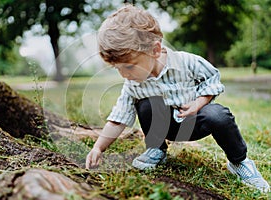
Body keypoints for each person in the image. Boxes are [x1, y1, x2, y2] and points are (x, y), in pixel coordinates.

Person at [85, 4, 270, 193]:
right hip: (165, 127)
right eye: (118, 69)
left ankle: (239, 162)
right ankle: (156, 150)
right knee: (146, 104)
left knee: (219, 115)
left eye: (129, 67)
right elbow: (118, 117)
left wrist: (198, 104)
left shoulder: (187, 62)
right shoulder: (133, 84)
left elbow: (213, 79)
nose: (124, 75)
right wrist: (99, 148)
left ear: (155, 50)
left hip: (194, 121)